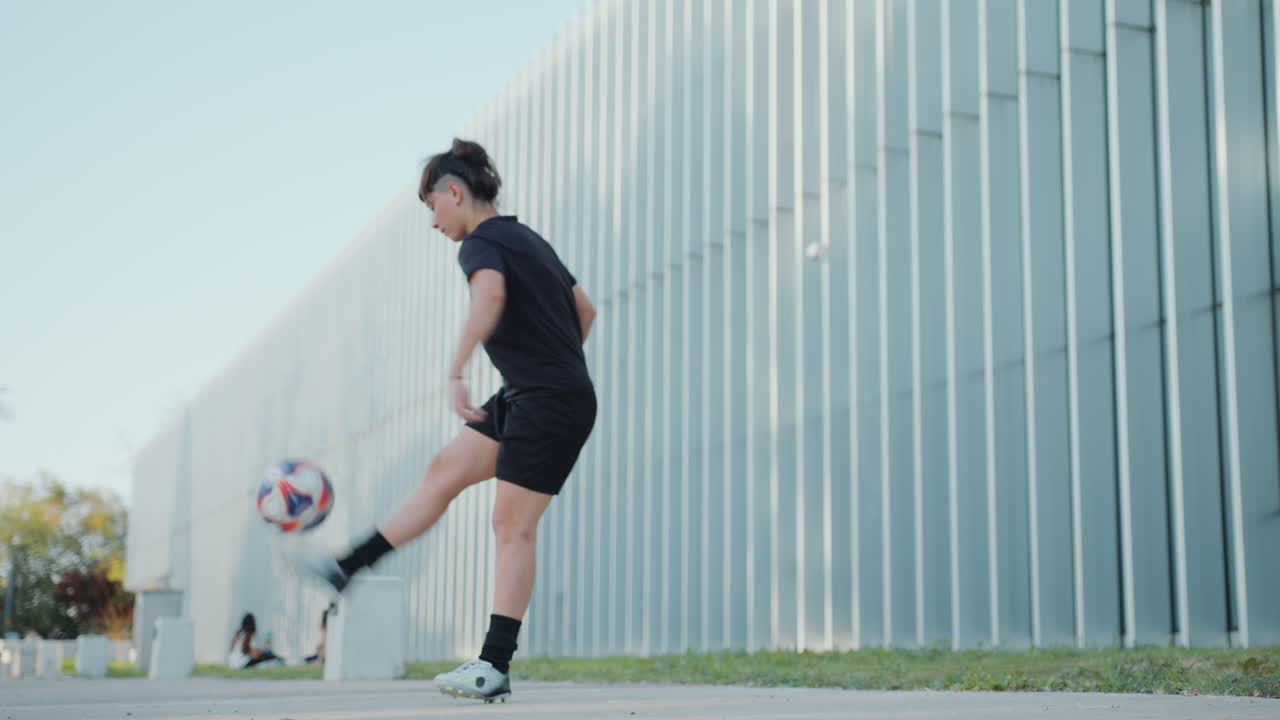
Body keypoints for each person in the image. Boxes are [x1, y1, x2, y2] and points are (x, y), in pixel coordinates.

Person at [296, 138, 597, 703]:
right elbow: (586, 309)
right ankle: (347, 567)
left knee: (512, 526)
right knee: (444, 470)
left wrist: (457, 369)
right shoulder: (526, 237)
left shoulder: (481, 243)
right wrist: (552, 362)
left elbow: (489, 297)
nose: (433, 222)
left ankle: (493, 664)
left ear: (454, 192)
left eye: (431, 205)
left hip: (546, 399)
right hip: (531, 393)